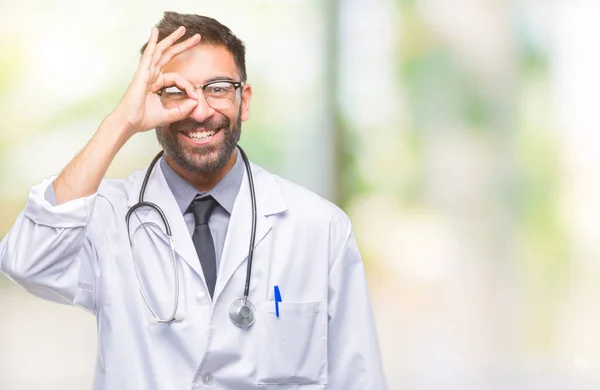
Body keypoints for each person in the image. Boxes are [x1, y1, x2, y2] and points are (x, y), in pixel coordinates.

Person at [0, 11, 386, 389]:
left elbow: (359, 376)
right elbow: (27, 261)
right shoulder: (106, 217)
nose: (199, 111)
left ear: (244, 100)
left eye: (217, 88)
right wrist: (121, 121)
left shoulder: (319, 227)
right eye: (175, 92)